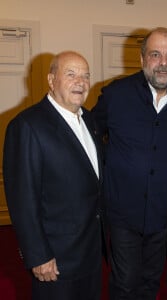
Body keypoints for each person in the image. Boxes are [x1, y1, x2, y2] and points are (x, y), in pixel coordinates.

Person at [3, 51, 106, 300]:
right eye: (70, 74)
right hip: (56, 259)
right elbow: (22, 199)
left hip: (91, 252)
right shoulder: (27, 125)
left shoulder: (90, 119)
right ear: (51, 80)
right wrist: (38, 255)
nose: (80, 82)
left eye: (85, 75)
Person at [91, 27, 167, 299]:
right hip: (123, 213)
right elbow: (90, 136)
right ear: (142, 58)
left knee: (151, 281)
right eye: (155, 54)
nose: (164, 63)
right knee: (125, 282)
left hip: (164, 214)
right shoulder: (115, 95)